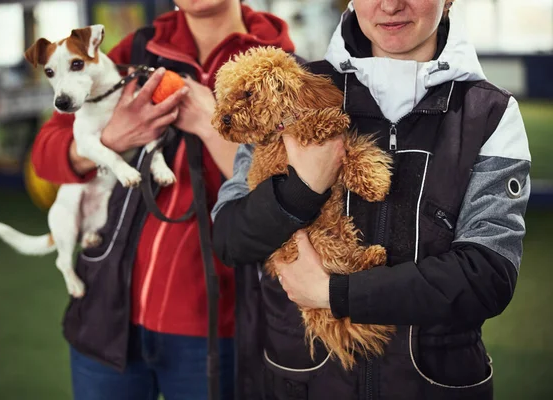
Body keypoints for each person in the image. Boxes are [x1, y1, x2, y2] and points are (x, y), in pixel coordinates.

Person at [211, 0, 531, 399]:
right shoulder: (286, 89)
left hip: (432, 386)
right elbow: (228, 239)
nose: (391, 5)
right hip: (302, 383)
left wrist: (336, 295)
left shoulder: (491, 112)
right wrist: (302, 189)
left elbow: (488, 275)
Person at [30, 1, 296, 399]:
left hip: (216, 323)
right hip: (109, 314)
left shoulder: (283, 67)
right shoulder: (135, 51)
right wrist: (111, 140)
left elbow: (289, 193)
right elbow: (45, 153)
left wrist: (212, 126)